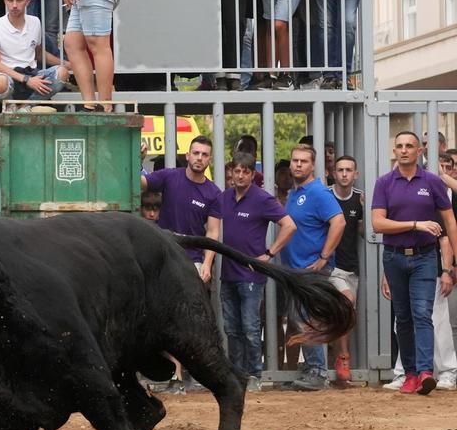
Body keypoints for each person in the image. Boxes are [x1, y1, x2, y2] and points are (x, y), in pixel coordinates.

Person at [372, 132, 457, 396]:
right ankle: (409, 373)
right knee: (403, 317)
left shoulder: (432, 181)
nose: (404, 150)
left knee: (422, 314)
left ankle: (425, 373)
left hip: (424, 256)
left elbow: (450, 220)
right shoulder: (384, 182)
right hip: (394, 256)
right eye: (399, 146)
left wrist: (454, 259)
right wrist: (416, 224)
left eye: (409, 146)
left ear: (419, 151)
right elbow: (378, 224)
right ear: (394, 151)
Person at [210, 152, 296, 392]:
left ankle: (254, 376)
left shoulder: (262, 199)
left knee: (249, 328)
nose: (239, 175)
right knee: (231, 329)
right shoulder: (224, 197)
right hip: (227, 273)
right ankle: (236, 376)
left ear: (252, 174)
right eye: (236, 171)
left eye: (245, 171)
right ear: (231, 172)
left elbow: (290, 226)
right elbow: (213, 229)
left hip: (250, 275)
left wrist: (268, 254)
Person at [282, 144, 345, 391]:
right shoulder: (293, 194)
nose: (298, 165)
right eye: (295, 160)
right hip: (296, 270)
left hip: (311, 270)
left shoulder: (318, 192)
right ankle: (310, 369)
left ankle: (318, 372)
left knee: (309, 320)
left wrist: (323, 256)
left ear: (312, 165)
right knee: (300, 320)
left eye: (303, 161)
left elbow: (338, 222)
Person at [0, 0, 70, 120]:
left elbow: (38, 54)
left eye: (19, 0)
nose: (14, 5)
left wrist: (66, 64)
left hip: (31, 73)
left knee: (62, 72)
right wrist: (27, 80)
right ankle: (12, 107)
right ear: (5, 1)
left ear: (27, 1)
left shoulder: (35, 22)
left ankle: (25, 107)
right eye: (10, 0)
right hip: (7, 76)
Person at [141, 136, 222, 281]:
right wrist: (138, 161)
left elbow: (213, 231)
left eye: (204, 155)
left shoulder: (214, 193)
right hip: (163, 255)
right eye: (196, 153)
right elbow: (140, 184)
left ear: (210, 160)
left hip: (193, 260)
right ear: (187, 155)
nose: (199, 158)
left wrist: (207, 264)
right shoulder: (169, 176)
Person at [329, 154, 362, 383]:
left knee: (344, 315)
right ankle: (343, 357)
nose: (344, 174)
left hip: (352, 268)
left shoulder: (360, 199)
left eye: (348, 170)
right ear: (333, 173)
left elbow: (364, 232)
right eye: (340, 170)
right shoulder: (325, 196)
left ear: (355, 174)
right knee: (346, 302)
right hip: (330, 266)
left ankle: (336, 356)